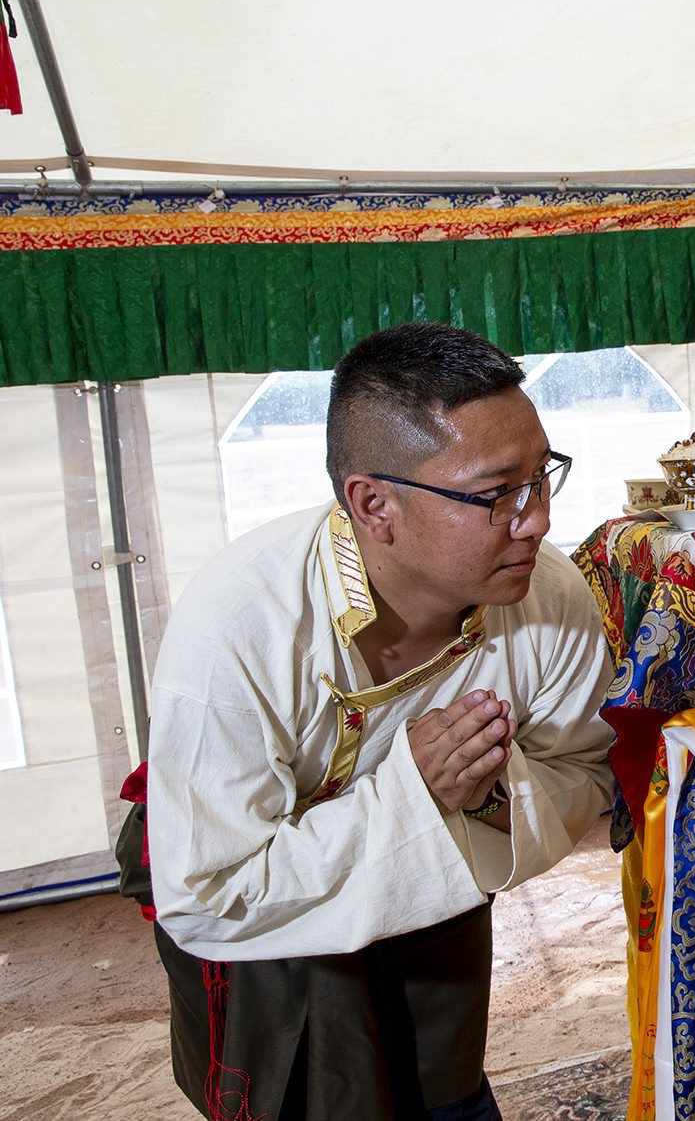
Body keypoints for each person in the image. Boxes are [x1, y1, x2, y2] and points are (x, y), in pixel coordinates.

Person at [131, 323, 615, 1119]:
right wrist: (411, 795)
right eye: (497, 492)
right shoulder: (238, 624)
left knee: (443, 1081)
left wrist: (482, 795)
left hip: (448, 878)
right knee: (310, 1092)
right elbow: (211, 892)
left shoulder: (550, 597)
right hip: (263, 906)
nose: (537, 519)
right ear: (373, 504)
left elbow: (584, 765)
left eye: (543, 476)